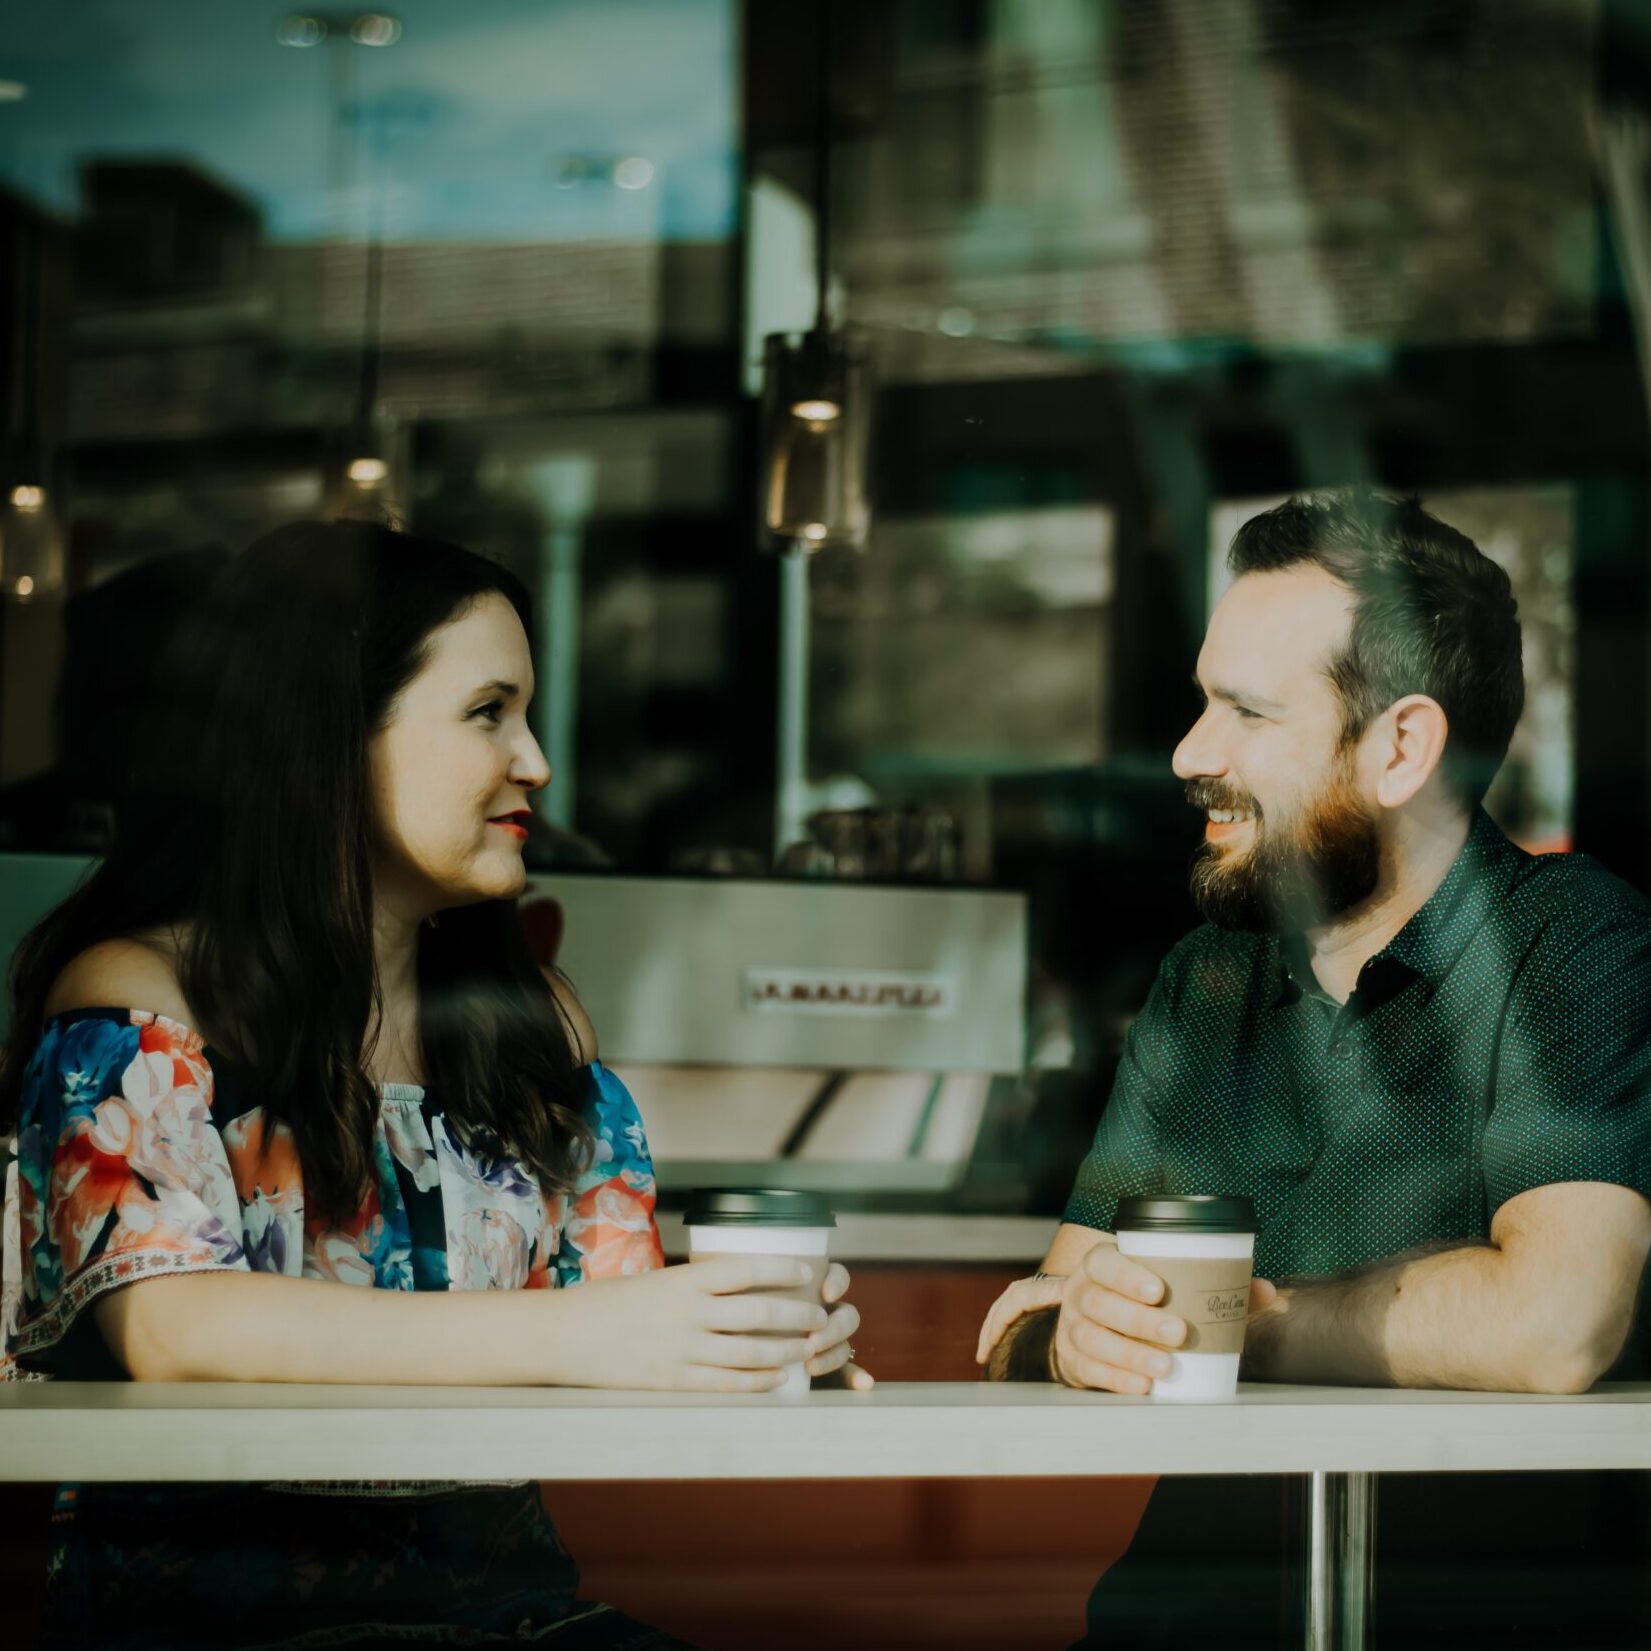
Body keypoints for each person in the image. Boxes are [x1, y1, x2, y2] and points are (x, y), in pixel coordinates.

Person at [0, 520, 868, 1650]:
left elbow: (616, 1306)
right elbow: (168, 1320)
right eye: (487, 712)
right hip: (212, 1618)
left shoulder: (528, 1021)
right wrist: (585, 1336)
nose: (538, 763)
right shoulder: (136, 998)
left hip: (503, 1613)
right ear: (326, 738)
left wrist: (745, 1339)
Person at [977, 490, 1651, 1650]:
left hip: (1489, 1622)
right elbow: (1032, 1321)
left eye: (1245, 711)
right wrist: (1071, 1338)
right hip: (1187, 1618)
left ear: (1400, 747)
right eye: (1202, 702)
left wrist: (1239, 1321)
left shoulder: (1572, 944)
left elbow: (1553, 1326)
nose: (1190, 753)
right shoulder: (1208, 978)